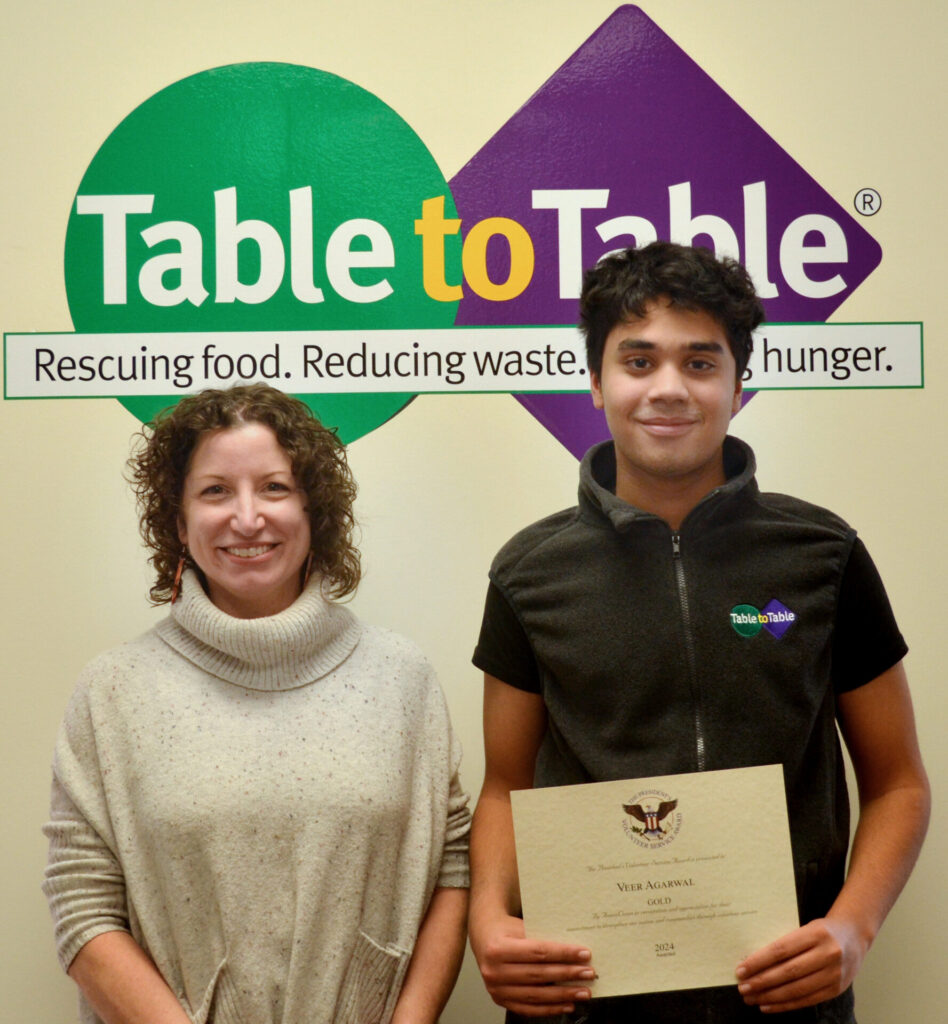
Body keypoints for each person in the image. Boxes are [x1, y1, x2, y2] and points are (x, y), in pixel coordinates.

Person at [468, 242, 929, 1023]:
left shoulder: (824, 555)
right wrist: (488, 920)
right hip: (586, 1005)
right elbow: (505, 787)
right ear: (596, 381)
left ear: (740, 385)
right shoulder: (528, 572)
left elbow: (898, 784)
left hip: (787, 1002)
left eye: (700, 363)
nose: (668, 389)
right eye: (638, 361)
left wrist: (852, 929)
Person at [43, 383, 470, 1024]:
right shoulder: (113, 690)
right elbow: (81, 903)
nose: (247, 518)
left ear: (313, 511)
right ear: (180, 522)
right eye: (215, 491)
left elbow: (451, 867)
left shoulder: (400, 677)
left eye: (274, 487)